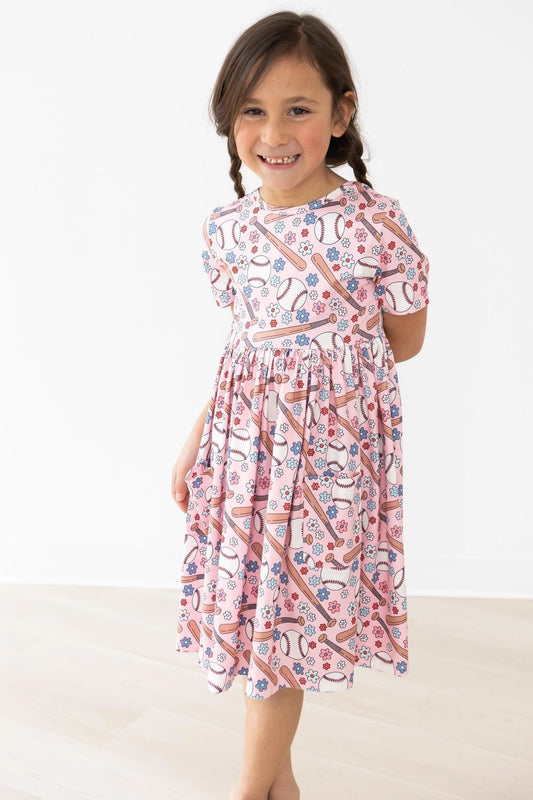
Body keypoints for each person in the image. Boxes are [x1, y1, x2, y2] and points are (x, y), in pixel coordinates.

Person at [170, 10, 430, 800]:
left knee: (280, 633)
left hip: (328, 460)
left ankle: (249, 792)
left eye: (297, 109)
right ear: (230, 121)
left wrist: (324, 379)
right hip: (244, 454)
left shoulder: (375, 223)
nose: (273, 133)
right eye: (252, 110)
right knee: (260, 626)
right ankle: (276, 789)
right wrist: (194, 443)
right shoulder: (226, 230)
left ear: (340, 114)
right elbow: (242, 350)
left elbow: (404, 341)